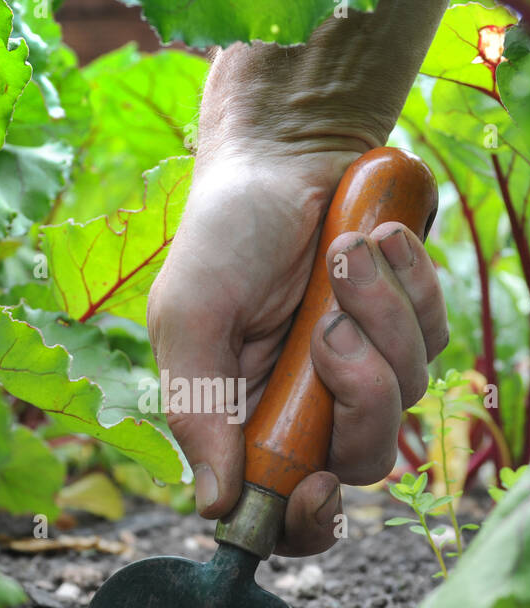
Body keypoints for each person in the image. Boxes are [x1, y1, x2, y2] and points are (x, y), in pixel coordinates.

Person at [147, 0, 451, 557]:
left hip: (268, 457)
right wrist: (280, 133)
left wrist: (281, 132)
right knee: (354, 345)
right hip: (270, 453)